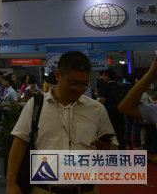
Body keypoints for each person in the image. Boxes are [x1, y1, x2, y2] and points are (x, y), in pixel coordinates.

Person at [6, 51, 114, 194]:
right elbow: (20, 142)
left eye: (84, 84)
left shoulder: (96, 109)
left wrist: (107, 148)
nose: (79, 89)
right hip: (45, 189)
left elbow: (113, 149)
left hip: (86, 189)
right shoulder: (36, 105)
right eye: (74, 84)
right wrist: (11, 182)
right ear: (58, 75)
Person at [98, 69, 125, 149]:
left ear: (107, 76)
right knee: (120, 133)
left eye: (103, 76)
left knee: (110, 134)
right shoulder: (120, 86)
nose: (102, 78)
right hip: (120, 112)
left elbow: (103, 100)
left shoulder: (104, 86)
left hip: (109, 113)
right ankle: (122, 150)